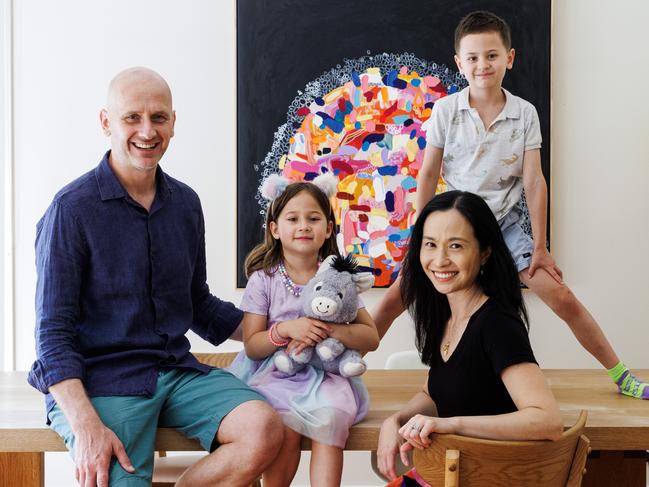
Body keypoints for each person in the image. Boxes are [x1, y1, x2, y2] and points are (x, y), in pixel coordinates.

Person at [27, 67, 283, 487]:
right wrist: (87, 426)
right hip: (102, 382)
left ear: (173, 123)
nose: (147, 131)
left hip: (175, 371)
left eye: (159, 117)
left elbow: (196, 303)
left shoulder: (185, 204)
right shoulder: (70, 210)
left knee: (264, 429)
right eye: (132, 117)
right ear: (106, 122)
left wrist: (280, 329)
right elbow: (52, 334)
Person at [374, 10, 648, 400]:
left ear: (509, 58)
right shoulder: (446, 111)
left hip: (504, 223)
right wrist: (425, 235)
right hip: (457, 221)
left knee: (563, 297)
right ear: (459, 63)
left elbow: (534, 181)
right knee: (394, 298)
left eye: (491, 55)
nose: (482, 65)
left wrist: (539, 246)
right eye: (472, 57)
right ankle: (343, 368)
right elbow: (428, 173)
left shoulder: (524, 114)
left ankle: (622, 375)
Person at [377, 191, 563, 482]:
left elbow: (547, 420)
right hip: (453, 472)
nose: (440, 260)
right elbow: (433, 392)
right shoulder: (446, 314)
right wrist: (396, 420)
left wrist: (450, 424)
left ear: (484, 252)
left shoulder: (497, 323)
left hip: (490, 476)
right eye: (430, 245)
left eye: (456, 246)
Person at [227, 175, 380, 487]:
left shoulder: (337, 277)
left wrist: (332, 331)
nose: (303, 226)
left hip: (326, 377)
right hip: (275, 375)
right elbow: (253, 346)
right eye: (292, 219)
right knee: (283, 427)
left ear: (328, 229)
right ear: (275, 229)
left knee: (331, 420)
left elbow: (371, 337)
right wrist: (285, 329)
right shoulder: (263, 279)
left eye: (313, 219)